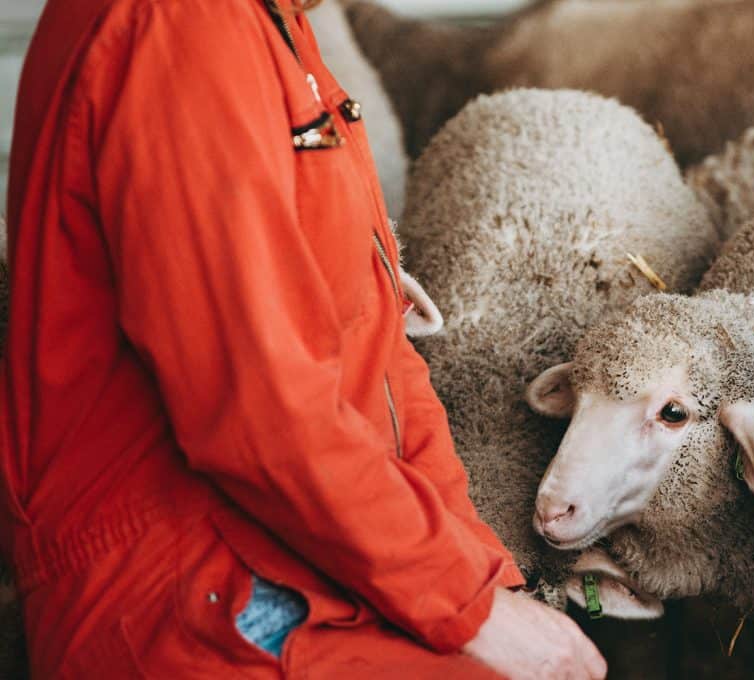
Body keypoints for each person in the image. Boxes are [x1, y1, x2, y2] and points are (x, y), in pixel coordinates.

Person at [0, 0, 607, 677]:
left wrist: (486, 580)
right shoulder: (181, 26)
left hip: (297, 550)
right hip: (193, 586)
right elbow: (256, 407)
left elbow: (381, 352)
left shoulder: (276, 27)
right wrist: (467, 603)